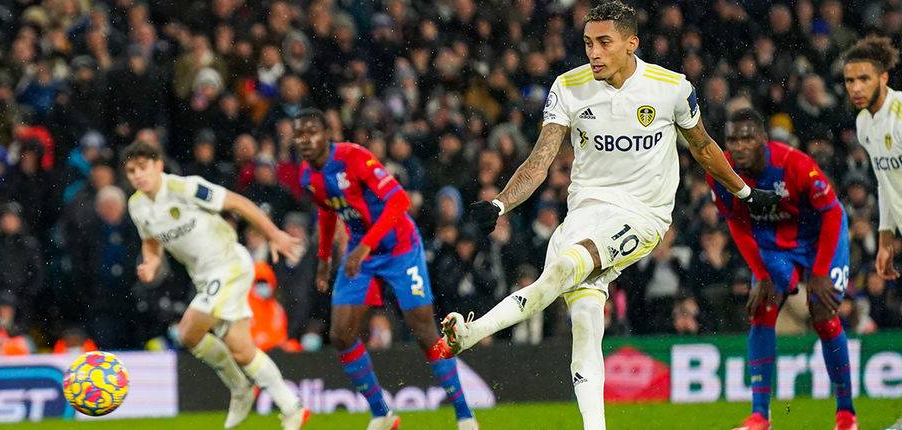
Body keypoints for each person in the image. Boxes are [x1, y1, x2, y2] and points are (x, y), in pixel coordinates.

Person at [438, 2, 778, 429]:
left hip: (644, 215)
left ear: (631, 43)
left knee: (566, 267)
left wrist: (745, 193)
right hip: (585, 210)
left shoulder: (671, 88)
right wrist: (500, 204)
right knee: (584, 326)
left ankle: (472, 333)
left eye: (604, 43)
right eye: (587, 43)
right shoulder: (568, 87)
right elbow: (540, 161)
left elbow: (704, 147)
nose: (593, 53)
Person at [293, 108, 477, 430]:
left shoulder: (355, 158)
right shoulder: (308, 176)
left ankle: (464, 415)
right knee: (340, 335)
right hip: (361, 255)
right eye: (299, 134)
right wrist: (323, 261)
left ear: (327, 134)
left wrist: (365, 245)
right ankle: (382, 414)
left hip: (399, 249)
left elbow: (399, 201)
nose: (305, 139)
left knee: (424, 330)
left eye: (312, 132)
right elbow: (327, 212)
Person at [121, 142, 309, 430]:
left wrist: (274, 235)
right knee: (241, 349)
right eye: (132, 171)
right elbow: (151, 241)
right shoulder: (137, 205)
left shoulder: (186, 188)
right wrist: (151, 262)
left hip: (229, 264)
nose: (138, 176)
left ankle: (240, 388)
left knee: (188, 331)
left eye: (143, 168)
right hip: (205, 278)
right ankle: (291, 406)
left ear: (158, 165)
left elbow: (238, 203)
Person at [708, 108, 856, 430]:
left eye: (747, 138)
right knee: (762, 307)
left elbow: (832, 214)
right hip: (775, 246)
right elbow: (736, 223)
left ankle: (846, 414)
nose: (739, 146)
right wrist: (761, 274)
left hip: (819, 239)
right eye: (732, 139)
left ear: (763, 138)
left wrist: (819, 272)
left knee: (823, 313)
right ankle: (760, 416)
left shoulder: (795, 164)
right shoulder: (720, 171)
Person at [843, 36, 902, 283]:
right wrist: (885, 240)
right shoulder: (864, 124)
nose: (856, 88)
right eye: (850, 80)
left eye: (864, 79)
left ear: (883, 78)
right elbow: (885, 182)